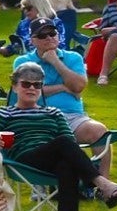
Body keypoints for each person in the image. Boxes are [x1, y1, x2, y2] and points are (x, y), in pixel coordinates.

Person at [0, 61, 117, 211]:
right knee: (62, 143)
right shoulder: (5, 113)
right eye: (26, 84)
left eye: (37, 85)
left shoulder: (54, 113)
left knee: (66, 165)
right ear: (15, 87)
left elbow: (69, 140)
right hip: (23, 160)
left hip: (51, 160)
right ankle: (102, 184)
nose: (32, 88)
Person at [17, 18, 109, 151]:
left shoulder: (74, 57)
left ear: (58, 35)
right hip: (37, 117)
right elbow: (28, 91)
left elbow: (78, 87)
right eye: (42, 35)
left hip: (73, 117)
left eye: (52, 33)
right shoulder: (24, 61)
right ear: (33, 40)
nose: (49, 38)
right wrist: (63, 87)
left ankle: (99, 167)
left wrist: (55, 61)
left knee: (100, 132)